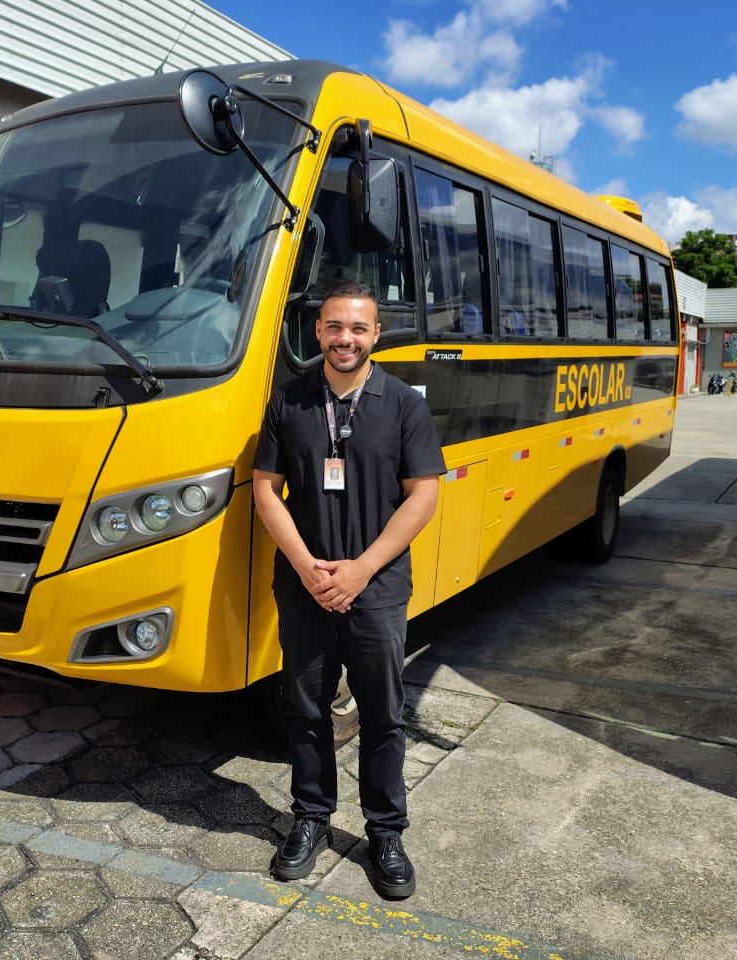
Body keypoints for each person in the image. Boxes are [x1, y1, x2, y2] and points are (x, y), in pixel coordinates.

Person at [252, 280, 445, 900]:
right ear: (318, 332)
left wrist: (361, 568)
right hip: (304, 585)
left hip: (378, 587)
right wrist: (308, 566)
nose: (345, 339)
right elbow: (264, 489)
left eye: (358, 328)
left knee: (384, 714)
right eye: (335, 327)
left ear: (376, 335)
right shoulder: (291, 400)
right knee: (306, 711)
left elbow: (424, 495)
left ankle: (386, 832)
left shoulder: (403, 405)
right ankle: (310, 819)